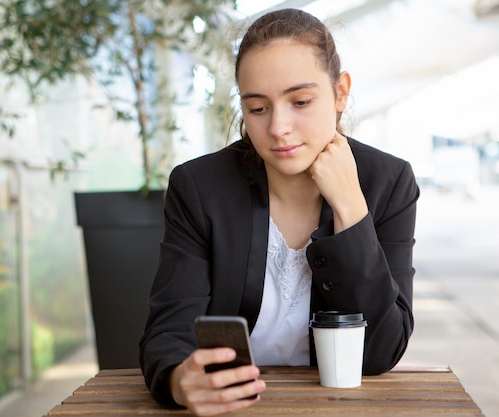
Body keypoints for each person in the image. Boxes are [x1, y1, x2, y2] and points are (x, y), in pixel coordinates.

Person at [139, 7, 420, 416]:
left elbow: (379, 351)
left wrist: (350, 209)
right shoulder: (200, 187)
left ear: (341, 91)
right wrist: (181, 382)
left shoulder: (388, 182)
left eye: (300, 101)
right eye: (257, 108)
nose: (278, 128)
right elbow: (168, 330)